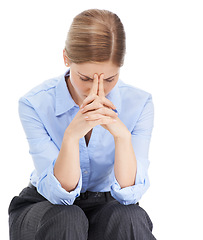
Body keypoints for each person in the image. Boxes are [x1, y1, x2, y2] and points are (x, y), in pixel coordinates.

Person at [8, 9, 156, 240]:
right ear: (66, 58)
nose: (97, 89)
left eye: (109, 79)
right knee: (67, 217)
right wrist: (71, 137)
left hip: (107, 206)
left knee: (130, 216)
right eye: (85, 78)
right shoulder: (35, 103)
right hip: (45, 206)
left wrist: (122, 137)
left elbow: (129, 195)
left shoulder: (139, 103)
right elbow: (61, 197)